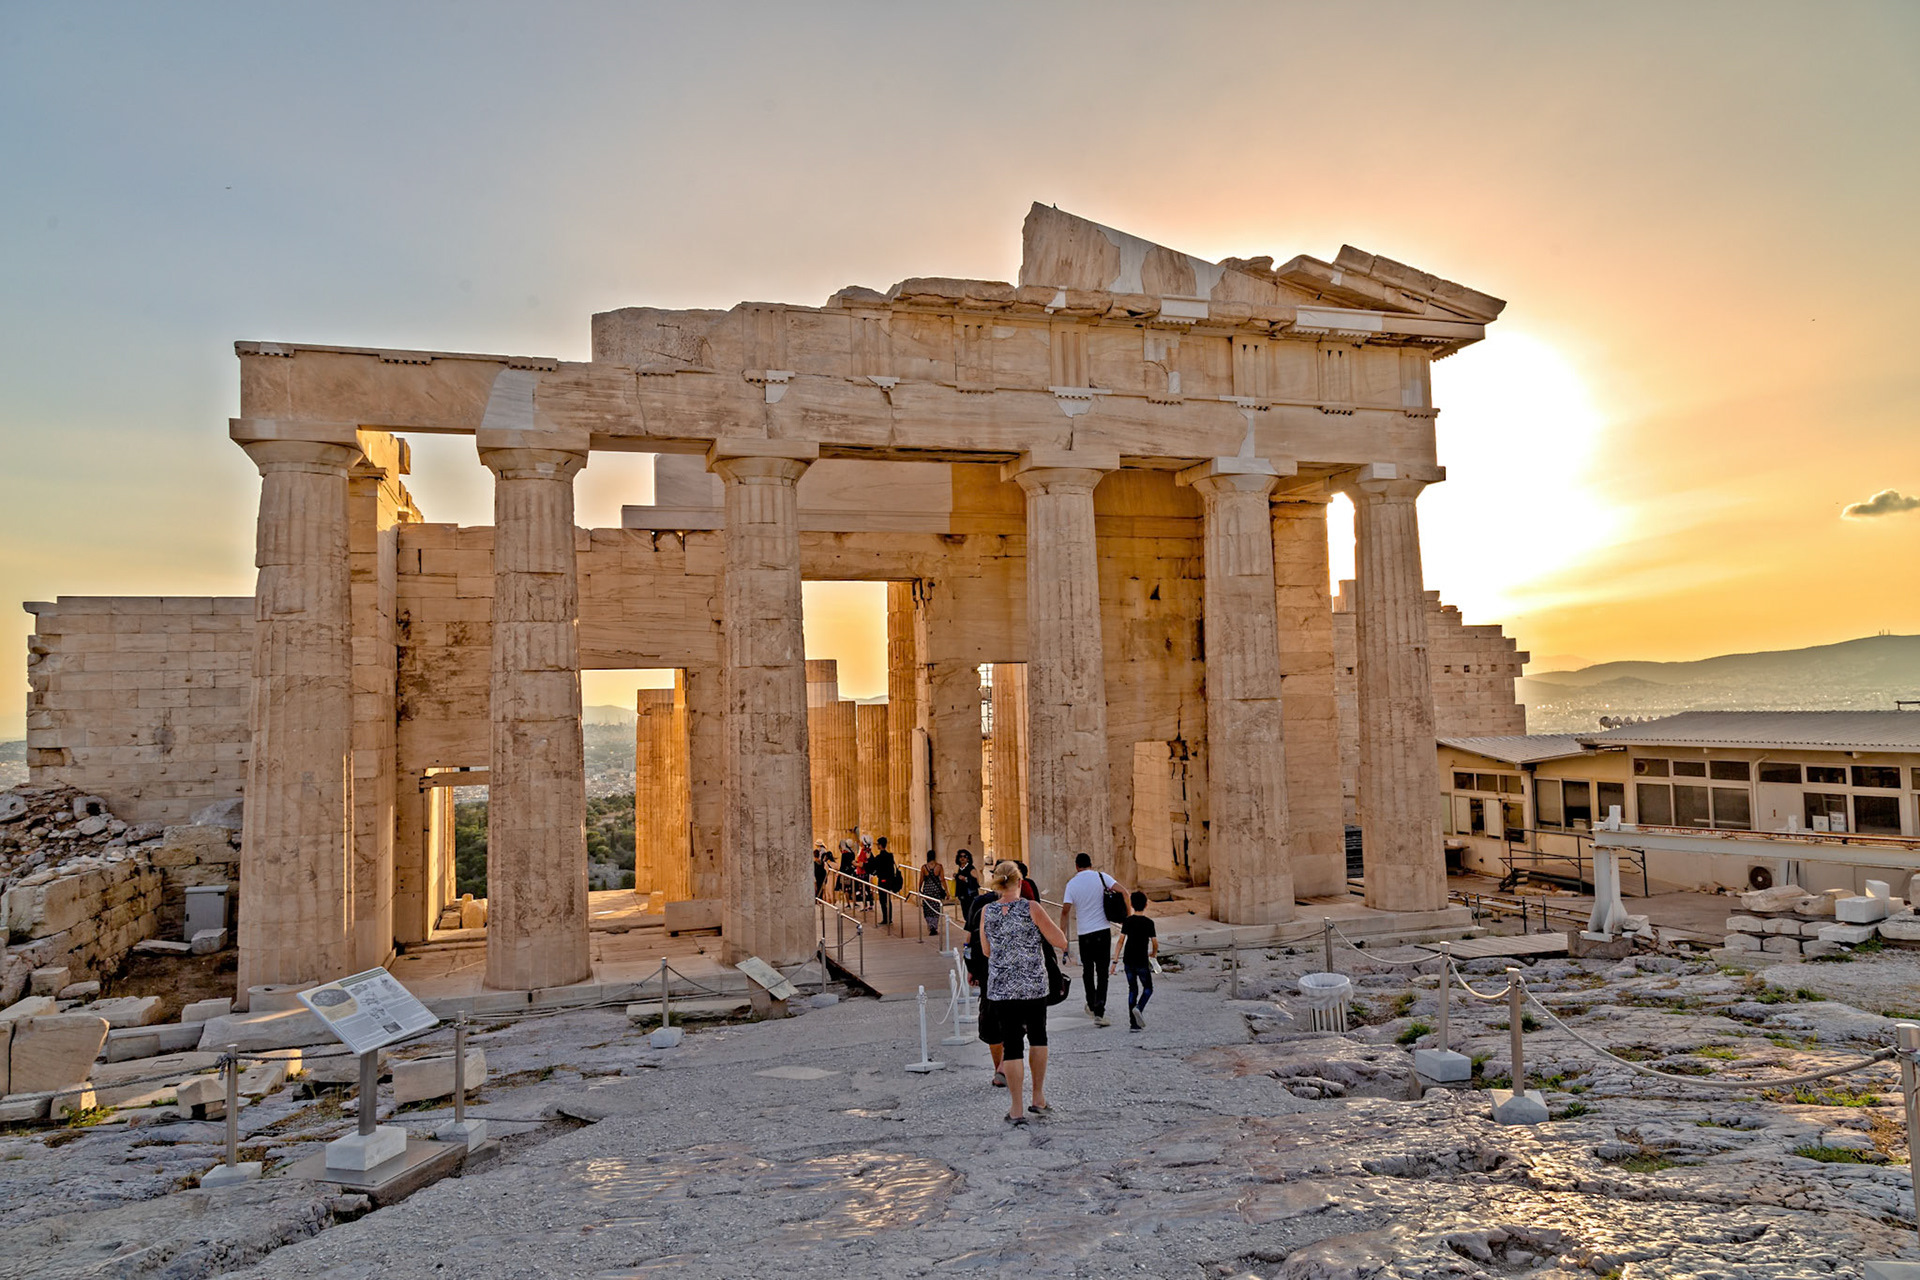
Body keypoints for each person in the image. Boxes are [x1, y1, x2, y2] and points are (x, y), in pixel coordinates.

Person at [978, 859, 1070, 1125]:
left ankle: (1016, 1108)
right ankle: (1038, 1098)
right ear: (1020, 882)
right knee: (1038, 1037)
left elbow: (986, 951)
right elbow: (1060, 941)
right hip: (1032, 986)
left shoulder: (988, 912)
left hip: (1002, 989)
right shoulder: (1031, 908)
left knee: (1013, 1045)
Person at [1059, 852, 1126, 1027]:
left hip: (1085, 933)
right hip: (1102, 931)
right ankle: (1099, 1011)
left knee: (1088, 971)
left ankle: (1091, 1003)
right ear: (1091, 864)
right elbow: (1124, 892)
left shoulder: (1072, 884)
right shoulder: (1101, 877)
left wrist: (1062, 938)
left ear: (1076, 866)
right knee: (1103, 972)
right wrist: (1128, 916)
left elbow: (1065, 911)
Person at [1116, 890, 1158, 1030]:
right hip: (1141, 959)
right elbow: (1154, 941)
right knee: (1148, 988)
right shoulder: (1149, 923)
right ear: (1146, 905)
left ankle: (1133, 1023)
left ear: (1132, 905)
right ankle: (1139, 1007)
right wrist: (1154, 953)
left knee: (1132, 989)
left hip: (1128, 959)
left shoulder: (1128, 921)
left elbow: (1121, 941)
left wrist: (1115, 959)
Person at [869, 837, 897, 926]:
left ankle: (885, 918)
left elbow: (873, 866)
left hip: (882, 880)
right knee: (888, 899)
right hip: (889, 880)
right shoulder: (890, 855)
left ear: (880, 845)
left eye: (877, 844)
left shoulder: (879, 857)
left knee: (882, 899)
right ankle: (890, 918)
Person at [919, 852, 947, 937]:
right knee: (936, 908)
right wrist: (947, 891)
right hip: (936, 890)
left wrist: (919, 889)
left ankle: (930, 926)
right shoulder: (939, 866)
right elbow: (942, 879)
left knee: (927, 908)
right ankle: (934, 926)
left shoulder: (924, 867)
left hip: (927, 890)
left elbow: (921, 879)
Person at [952, 850, 980, 918]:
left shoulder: (971, 868)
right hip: (962, 895)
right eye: (961, 856)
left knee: (971, 914)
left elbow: (976, 882)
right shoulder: (960, 868)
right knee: (965, 914)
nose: (962, 858)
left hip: (970, 895)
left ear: (968, 858)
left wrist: (966, 879)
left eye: (965, 856)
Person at [837, 839, 858, 906]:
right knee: (853, 888)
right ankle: (854, 902)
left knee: (846, 889)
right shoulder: (852, 853)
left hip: (845, 873)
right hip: (852, 872)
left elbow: (842, 865)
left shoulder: (844, 854)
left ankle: (848, 903)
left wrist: (839, 872)